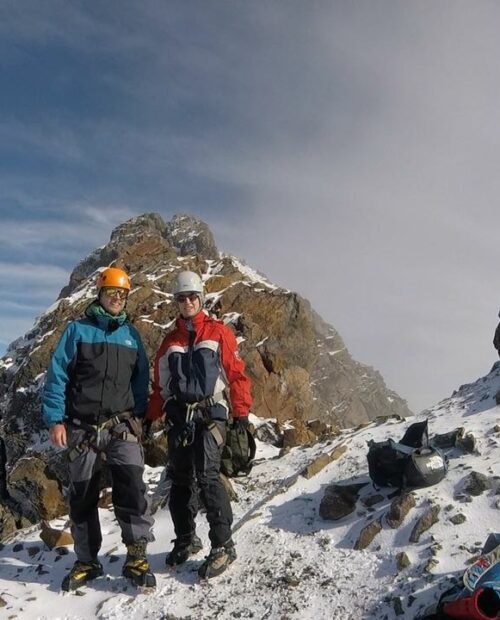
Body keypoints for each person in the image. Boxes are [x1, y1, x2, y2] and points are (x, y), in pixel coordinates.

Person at [42, 267, 155, 591]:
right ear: (100, 295)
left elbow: (140, 380)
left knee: (132, 487)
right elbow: (57, 376)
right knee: (82, 496)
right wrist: (55, 420)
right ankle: (87, 560)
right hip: (81, 428)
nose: (117, 299)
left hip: (121, 426)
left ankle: (136, 556)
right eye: (111, 293)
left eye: (122, 294)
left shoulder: (132, 335)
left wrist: (138, 418)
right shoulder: (76, 331)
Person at [146, 270, 252, 579]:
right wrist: (151, 416)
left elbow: (236, 374)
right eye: (182, 298)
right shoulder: (170, 343)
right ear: (176, 303)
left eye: (192, 297)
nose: (188, 302)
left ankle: (223, 545)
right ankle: (186, 539)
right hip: (181, 418)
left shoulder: (219, 333)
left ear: (201, 298)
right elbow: (161, 387)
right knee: (180, 480)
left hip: (211, 415)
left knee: (207, 477)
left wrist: (241, 414)